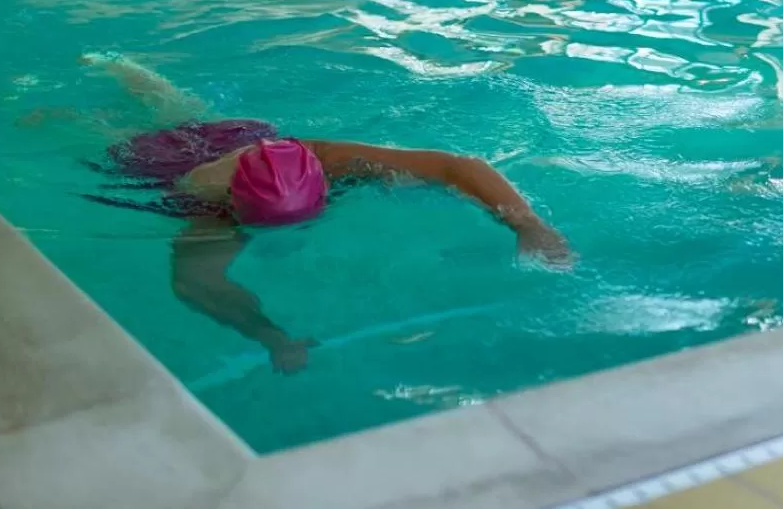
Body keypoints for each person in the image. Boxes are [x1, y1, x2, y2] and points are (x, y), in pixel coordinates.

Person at [79, 53, 572, 372]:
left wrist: (527, 223)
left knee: (184, 112)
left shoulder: (328, 157)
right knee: (121, 137)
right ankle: (84, 104)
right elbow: (196, 283)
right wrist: (270, 336)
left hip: (236, 138)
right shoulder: (210, 211)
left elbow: (457, 166)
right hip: (159, 166)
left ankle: (122, 67)